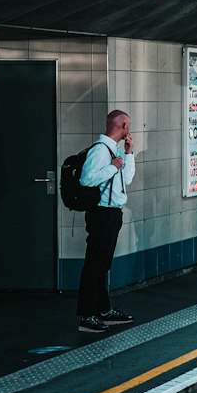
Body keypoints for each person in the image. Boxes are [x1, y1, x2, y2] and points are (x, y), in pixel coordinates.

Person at [77, 109, 137, 334]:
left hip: (112, 213)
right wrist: (114, 167)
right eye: (128, 126)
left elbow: (126, 179)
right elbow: (87, 179)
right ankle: (87, 315)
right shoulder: (101, 151)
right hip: (101, 213)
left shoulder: (116, 151)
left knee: (102, 265)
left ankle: (102, 309)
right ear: (121, 126)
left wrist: (129, 154)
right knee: (94, 264)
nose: (129, 131)